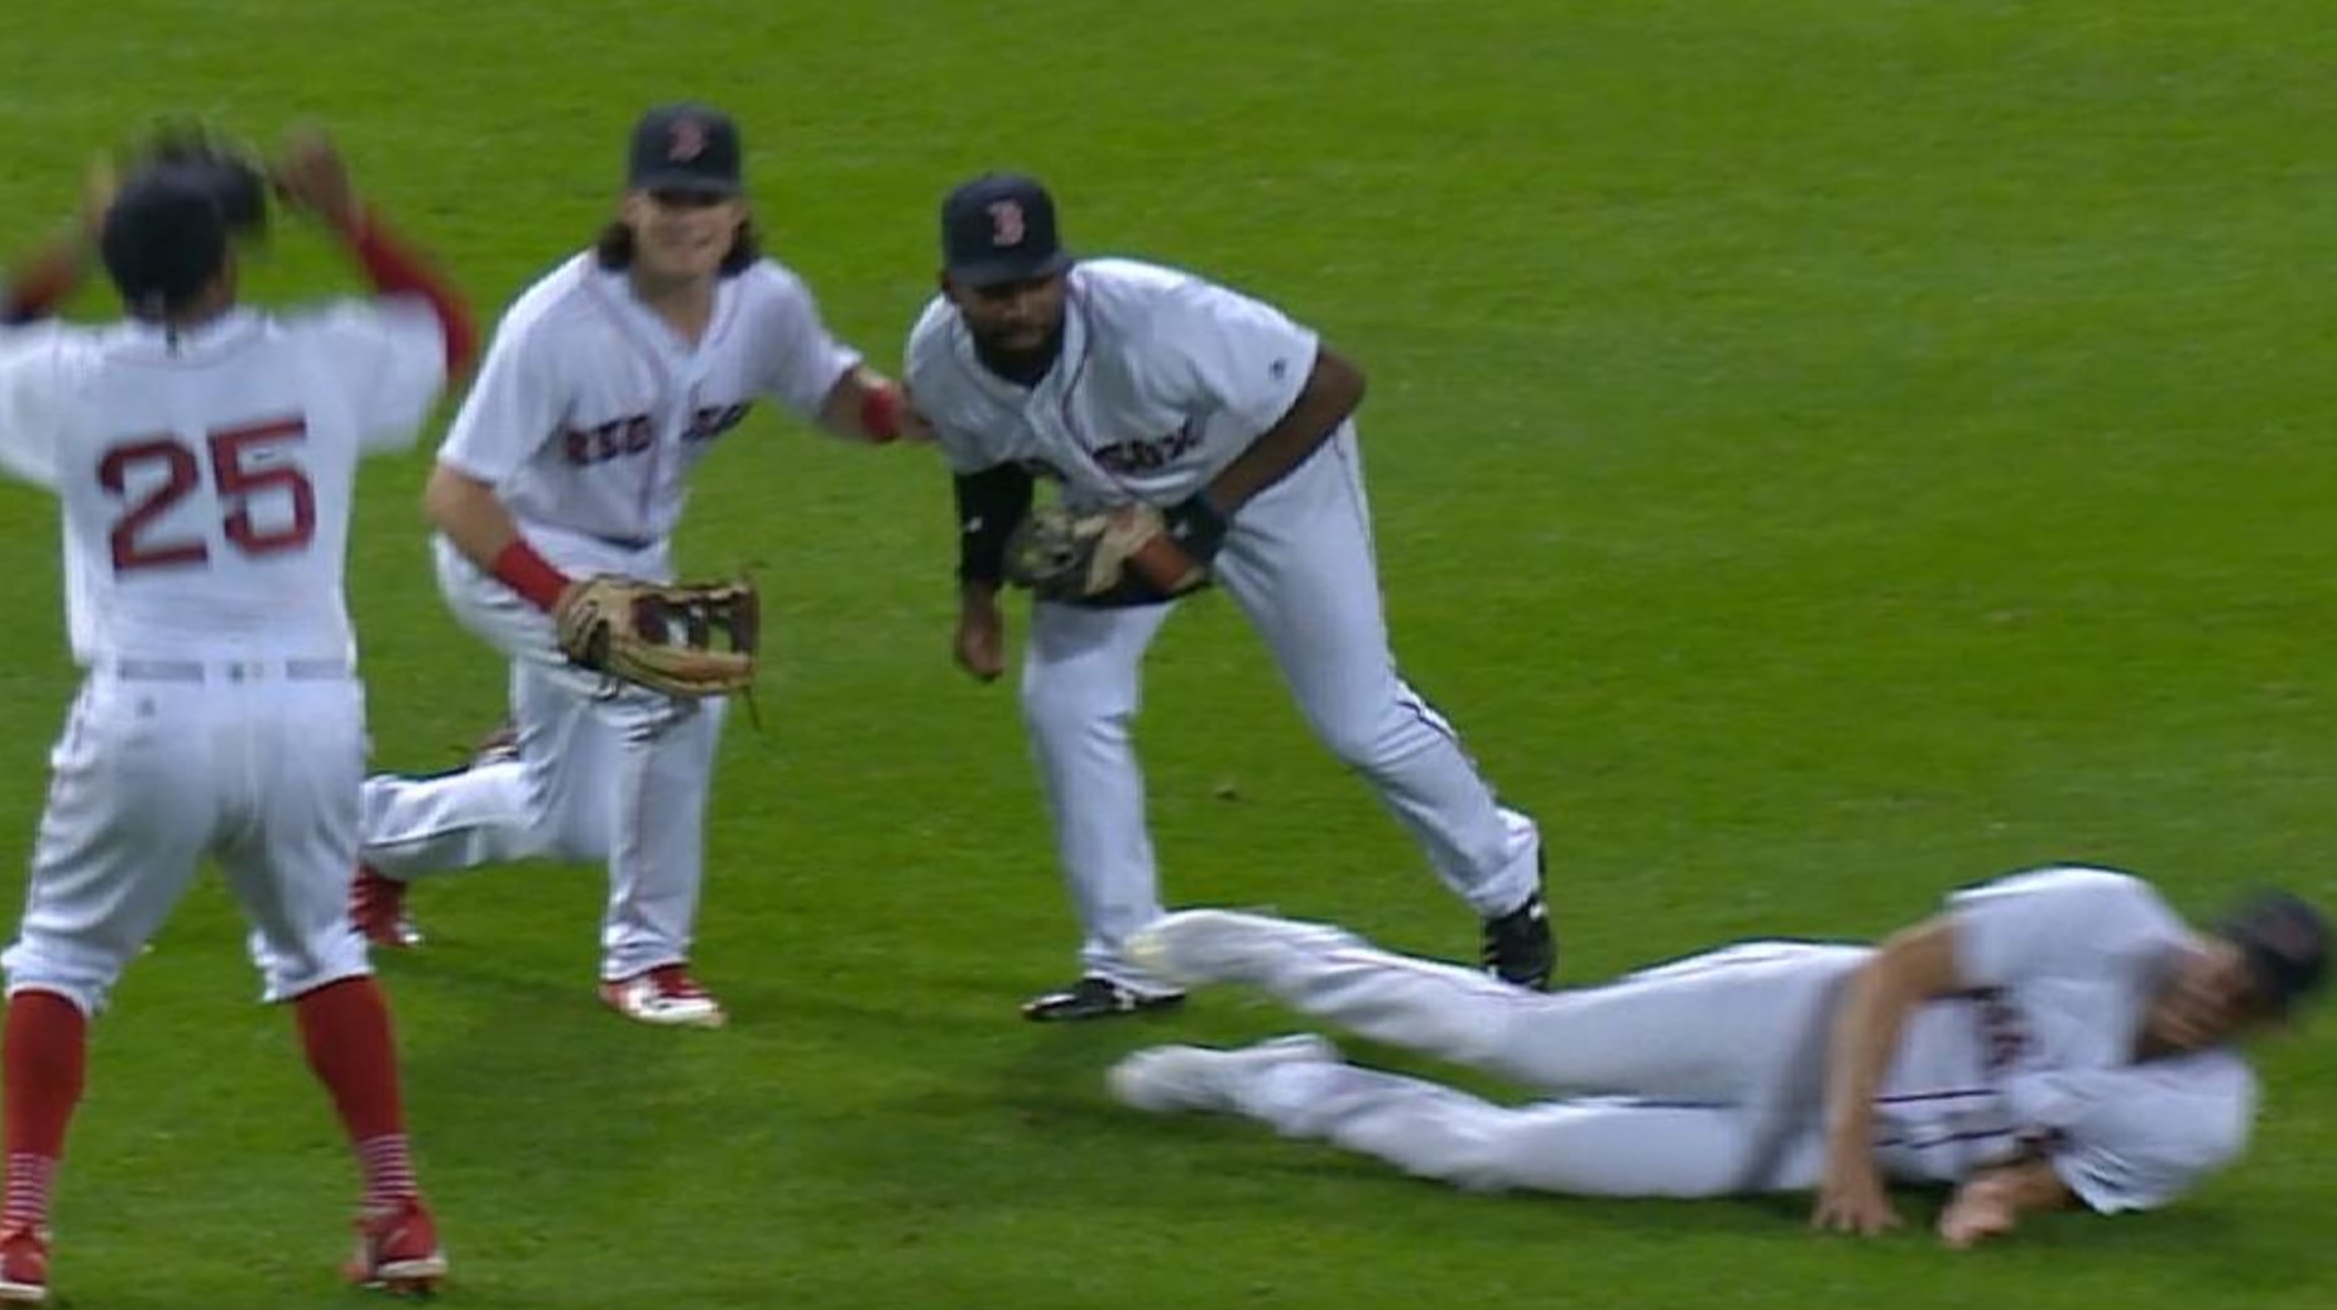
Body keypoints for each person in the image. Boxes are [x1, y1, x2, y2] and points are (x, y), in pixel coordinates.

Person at [0, 129, 478, 1307]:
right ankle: (399, 1213)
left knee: (62, 959)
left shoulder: (66, 378)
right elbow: (445, 326)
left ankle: (19, 1235)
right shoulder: (318, 361)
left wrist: (81, 234)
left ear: (123, 272)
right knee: (320, 946)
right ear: (230, 265)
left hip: (149, 717)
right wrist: (346, 212)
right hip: (309, 716)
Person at [903, 172, 1552, 1022]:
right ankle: (1130, 958)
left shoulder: (1162, 321)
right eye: (995, 291)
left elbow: (1333, 384)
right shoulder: (938, 363)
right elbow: (984, 472)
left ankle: (1508, 881)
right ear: (952, 288)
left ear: (1065, 271)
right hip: (1119, 507)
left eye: (1036, 282)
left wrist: (1201, 523)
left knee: (1358, 719)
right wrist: (977, 600)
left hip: (1280, 481)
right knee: (1066, 704)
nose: (1020, 306)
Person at [348, 103, 933, 1028]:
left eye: (706, 200)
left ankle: (365, 837)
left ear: (737, 211)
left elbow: (831, 395)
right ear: (629, 205)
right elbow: (454, 495)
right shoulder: (557, 324)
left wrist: (903, 411)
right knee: (676, 698)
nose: (685, 219)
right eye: (667, 198)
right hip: (516, 555)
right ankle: (647, 962)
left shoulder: (766, 304)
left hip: (635, 564)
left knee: (568, 820)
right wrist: (566, 599)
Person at [1108, 868, 2326, 1246]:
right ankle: (1259, 950)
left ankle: (1275, 1082)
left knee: (1502, 1155)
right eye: (2224, 966)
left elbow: (2055, 1173)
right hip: (1802, 1018)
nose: (2214, 996)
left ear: (2268, 1025)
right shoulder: (2103, 915)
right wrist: (1852, 1156)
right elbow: (1900, 968)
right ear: (2207, 942)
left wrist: (1993, 1202)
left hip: (1781, 1148)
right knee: (1520, 1040)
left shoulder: (2201, 1122)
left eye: (2245, 1000)